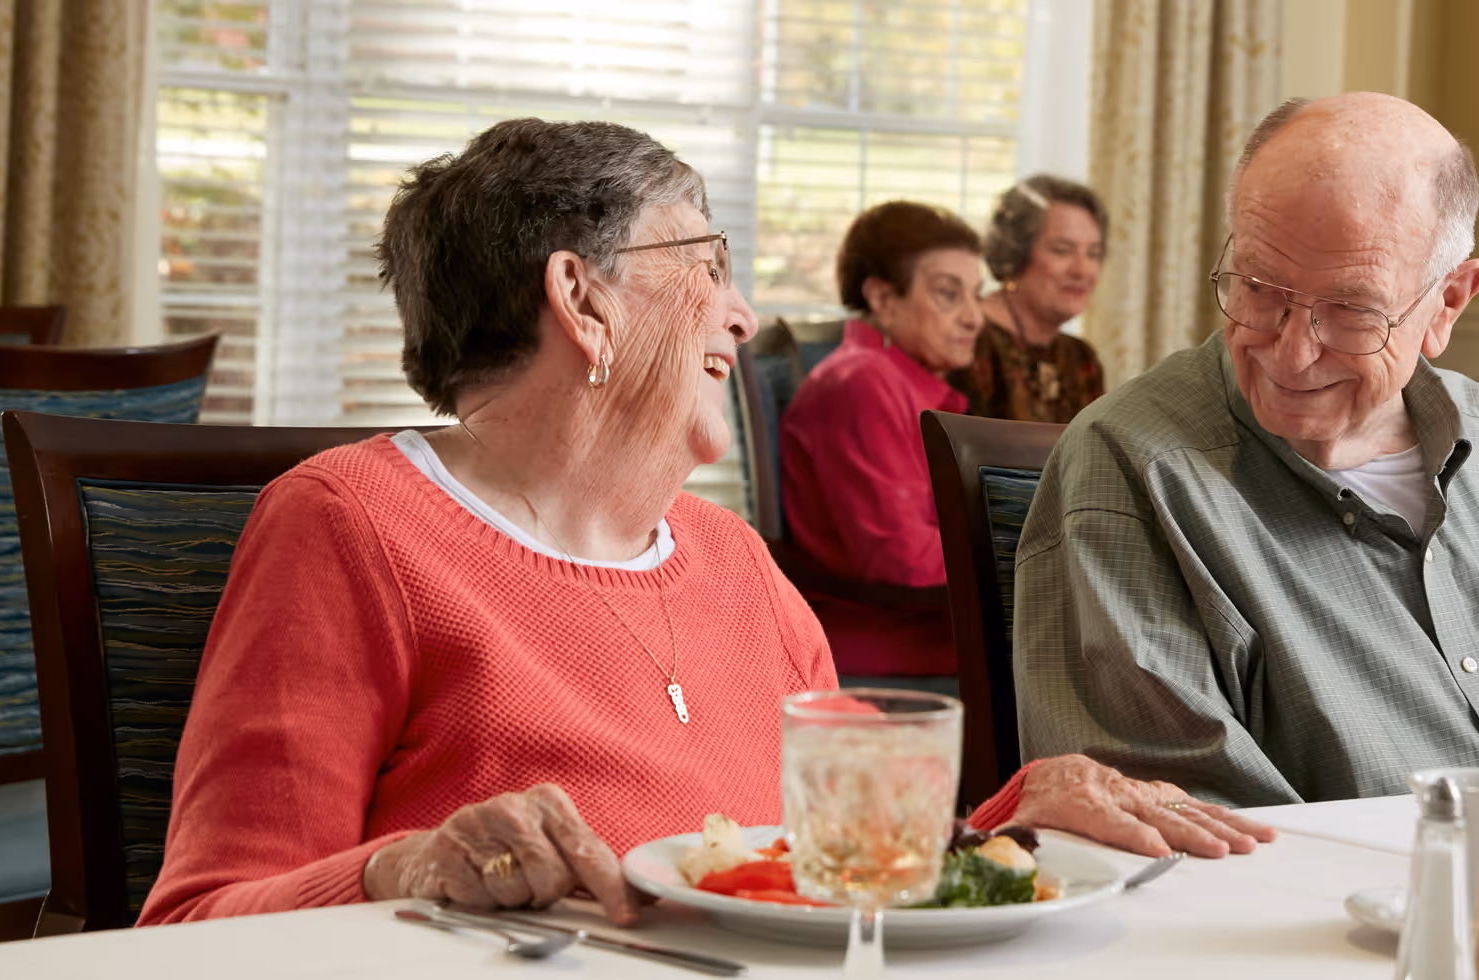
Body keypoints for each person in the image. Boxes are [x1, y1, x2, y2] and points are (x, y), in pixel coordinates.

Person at [138, 121, 1270, 927]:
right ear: (581, 299)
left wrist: (1009, 815)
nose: (745, 311)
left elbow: (802, 870)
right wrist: (406, 866)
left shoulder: (735, 559)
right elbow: (195, 922)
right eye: (710, 263)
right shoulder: (352, 524)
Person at [1012, 93, 1479, 808]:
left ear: (1448, 302)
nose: (1291, 354)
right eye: (1258, 288)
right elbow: (1186, 833)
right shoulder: (1135, 470)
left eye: (1352, 311)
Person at [779, 202, 981, 689]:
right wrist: (1023, 558)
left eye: (977, 295)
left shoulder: (901, 382)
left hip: (940, 638)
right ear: (882, 298)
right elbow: (903, 561)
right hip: (893, 648)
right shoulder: (863, 383)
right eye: (949, 295)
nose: (975, 318)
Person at [950, 175, 1109, 423]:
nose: (1082, 270)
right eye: (1062, 250)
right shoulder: (965, 338)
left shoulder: (1080, 358)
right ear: (1015, 252)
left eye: (1093, 253)